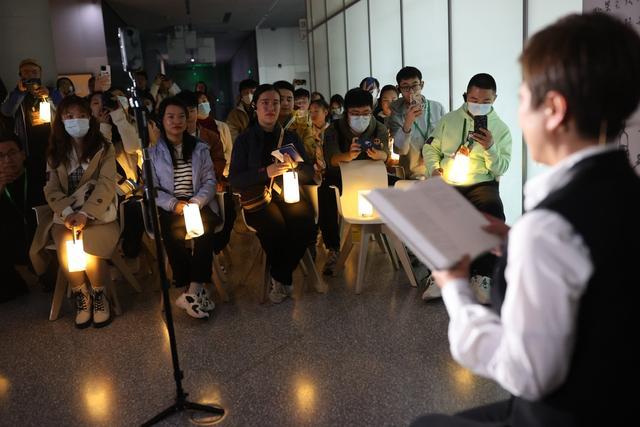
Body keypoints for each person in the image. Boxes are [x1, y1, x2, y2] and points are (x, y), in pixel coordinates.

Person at [411, 12, 640, 427]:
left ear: (552, 108)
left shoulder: (551, 228)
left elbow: (527, 373)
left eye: (522, 98)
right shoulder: (623, 191)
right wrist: (517, 240)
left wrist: (456, 290)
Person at [29, 95, 119, 328]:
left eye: (81, 115)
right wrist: (68, 212)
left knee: (88, 245)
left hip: (98, 213)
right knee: (68, 246)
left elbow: (107, 183)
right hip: (65, 214)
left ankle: (99, 295)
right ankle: (82, 296)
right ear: (61, 119)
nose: (75, 120)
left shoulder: (104, 148)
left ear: (90, 117)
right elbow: (51, 188)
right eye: (69, 116)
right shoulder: (54, 153)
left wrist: (86, 213)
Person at [422, 73, 512, 302]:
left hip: (482, 183)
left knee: (491, 208)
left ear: (494, 99)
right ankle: (441, 273)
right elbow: (430, 148)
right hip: (449, 180)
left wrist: (490, 146)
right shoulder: (448, 120)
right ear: (466, 96)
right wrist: (434, 169)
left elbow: (501, 168)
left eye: (485, 102)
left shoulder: (500, 129)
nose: (478, 105)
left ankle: (483, 276)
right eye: (473, 99)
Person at [229, 84, 316, 303]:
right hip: (259, 200)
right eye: (264, 103)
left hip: (290, 195)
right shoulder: (244, 140)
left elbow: (309, 172)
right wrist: (264, 172)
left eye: (275, 103)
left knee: (306, 224)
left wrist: (295, 167)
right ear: (255, 107)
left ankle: (279, 275)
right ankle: (282, 279)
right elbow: (236, 180)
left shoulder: (291, 137)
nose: (270, 108)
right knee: (276, 226)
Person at [148, 97, 221, 319]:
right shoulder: (152, 153)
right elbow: (151, 187)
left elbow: (210, 180)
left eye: (181, 116)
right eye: (170, 117)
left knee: (206, 230)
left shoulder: (200, 148)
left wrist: (196, 202)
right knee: (172, 233)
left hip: (198, 203)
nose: (177, 121)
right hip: (170, 206)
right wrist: (173, 204)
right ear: (162, 120)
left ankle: (192, 290)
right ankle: (193, 291)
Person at [319, 88, 389, 275]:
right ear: (346, 113)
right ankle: (333, 248)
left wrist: (379, 155)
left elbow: (386, 156)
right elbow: (331, 159)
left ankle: (406, 245)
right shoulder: (333, 130)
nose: (361, 117)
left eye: (365, 113)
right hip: (342, 177)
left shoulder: (379, 127)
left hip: (372, 177)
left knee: (399, 185)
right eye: (355, 114)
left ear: (371, 110)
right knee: (325, 192)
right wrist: (348, 155)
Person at [89, 91, 145, 266]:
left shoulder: (128, 124)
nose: (102, 106)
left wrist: (119, 118)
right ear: (89, 109)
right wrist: (103, 126)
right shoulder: (87, 134)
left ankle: (130, 250)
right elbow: (100, 158)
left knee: (135, 207)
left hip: (132, 190)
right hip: (105, 193)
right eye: (96, 103)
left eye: (106, 102)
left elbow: (133, 147)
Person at [1, 58, 63, 199]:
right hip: (28, 148)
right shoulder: (16, 95)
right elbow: (6, 111)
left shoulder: (52, 91)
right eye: (25, 72)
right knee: (34, 183)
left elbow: (65, 109)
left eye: (34, 72)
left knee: (54, 180)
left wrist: (50, 96)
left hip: (51, 145)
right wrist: (19, 92)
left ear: (40, 75)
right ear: (20, 75)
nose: (30, 75)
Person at [0, 133, 46, 302]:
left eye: (12, 153)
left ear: (22, 154)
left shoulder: (39, 173)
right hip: (10, 256)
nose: (7, 160)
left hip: (40, 242)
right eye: (1, 156)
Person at [387, 66, 446, 179]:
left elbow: (445, 138)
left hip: (437, 171)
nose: (411, 91)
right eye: (405, 87)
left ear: (422, 85)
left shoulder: (437, 108)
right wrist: (408, 122)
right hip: (412, 174)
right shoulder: (396, 112)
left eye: (415, 85)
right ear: (399, 89)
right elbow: (400, 150)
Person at [274, 80, 316, 162]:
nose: (285, 103)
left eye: (289, 100)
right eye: (281, 99)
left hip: (295, 167)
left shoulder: (302, 121)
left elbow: (310, 150)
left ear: (293, 102)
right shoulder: (266, 120)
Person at [196, 91, 233, 178]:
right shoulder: (192, 129)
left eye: (204, 101)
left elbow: (229, 151)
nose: (202, 105)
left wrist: (218, 164)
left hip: (223, 173)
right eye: (198, 103)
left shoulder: (222, 126)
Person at [226, 78, 258, 143]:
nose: (249, 95)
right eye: (246, 93)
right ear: (241, 95)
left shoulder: (264, 109)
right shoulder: (234, 114)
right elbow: (233, 136)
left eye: (252, 92)